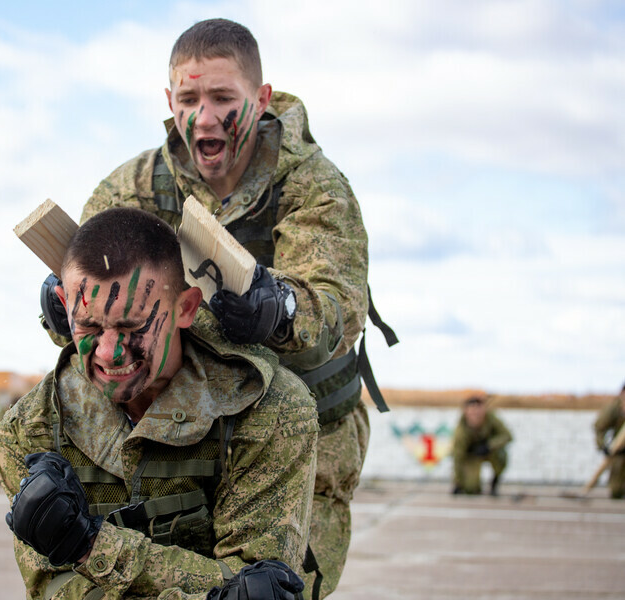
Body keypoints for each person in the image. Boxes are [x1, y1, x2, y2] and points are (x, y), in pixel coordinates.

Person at [38, 18, 396, 596]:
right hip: (185, 426)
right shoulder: (135, 187)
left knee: (275, 588)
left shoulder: (313, 187)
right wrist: (62, 311)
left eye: (223, 97)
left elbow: (337, 308)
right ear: (168, 101)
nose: (204, 118)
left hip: (301, 434)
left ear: (261, 98)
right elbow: (95, 298)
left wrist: (277, 307)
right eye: (189, 99)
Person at [0, 208, 318, 599]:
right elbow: (58, 592)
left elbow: (261, 584)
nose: (109, 352)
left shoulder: (270, 410)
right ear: (64, 305)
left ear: (185, 308)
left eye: (132, 327)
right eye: (89, 326)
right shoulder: (32, 428)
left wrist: (87, 545)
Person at [451, 394, 512, 495]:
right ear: (466, 412)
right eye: (472, 411)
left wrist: (489, 445)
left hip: (490, 452)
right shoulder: (461, 431)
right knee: (471, 490)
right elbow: (458, 457)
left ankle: (495, 480)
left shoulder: (491, 418)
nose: (475, 414)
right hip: (472, 456)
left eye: (478, 410)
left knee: (501, 455)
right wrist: (458, 482)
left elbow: (507, 436)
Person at [593, 383, 625, 499]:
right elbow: (599, 428)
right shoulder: (614, 408)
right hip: (620, 452)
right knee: (617, 490)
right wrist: (604, 446)